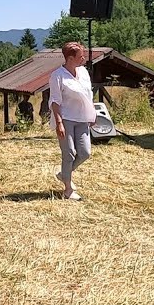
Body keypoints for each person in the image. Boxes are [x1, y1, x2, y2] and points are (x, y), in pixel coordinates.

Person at [49, 42, 95, 201]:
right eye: (80, 56)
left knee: (84, 153)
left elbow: (88, 94)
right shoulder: (57, 75)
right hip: (66, 118)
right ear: (70, 58)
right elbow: (55, 101)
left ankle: (64, 174)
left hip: (82, 118)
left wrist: (92, 114)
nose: (83, 58)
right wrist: (59, 123)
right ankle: (68, 190)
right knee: (68, 153)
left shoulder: (84, 72)